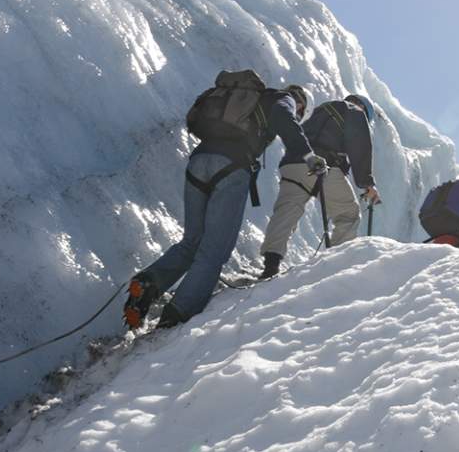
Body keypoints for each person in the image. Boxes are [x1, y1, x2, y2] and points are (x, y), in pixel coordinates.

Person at [124, 72, 319, 330]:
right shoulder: (285, 99)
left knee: (192, 241)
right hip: (231, 168)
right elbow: (285, 119)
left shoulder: (248, 99)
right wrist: (308, 155)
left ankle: (148, 283)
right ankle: (177, 314)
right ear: (301, 103)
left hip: (199, 162)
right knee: (214, 250)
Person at [259, 92, 380, 278]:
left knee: (287, 211)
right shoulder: (354, 111)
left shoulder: (320, 110)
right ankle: (336, 266)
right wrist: (367, 184)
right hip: (324, 165)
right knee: (347, 215)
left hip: (293, 164)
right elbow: (360, 144)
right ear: (362, 107)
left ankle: (271, 264)